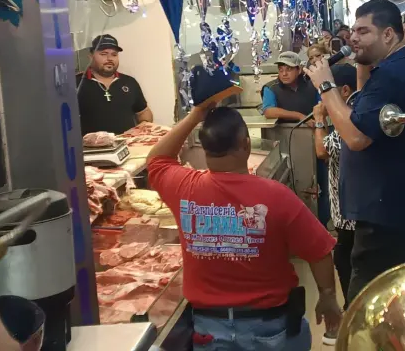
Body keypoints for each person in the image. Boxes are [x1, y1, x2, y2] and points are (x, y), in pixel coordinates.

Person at [146, 105, 341, 351]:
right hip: (272, 329)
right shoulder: (277, 196)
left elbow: (155, 159)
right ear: (246, 144)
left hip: (209, 332)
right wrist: (327, 297)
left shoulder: (183, 187)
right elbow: (319, 250)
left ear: (204, 148)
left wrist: (196, 114)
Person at [303, 0, 405, 305]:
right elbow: (365, 107)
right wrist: (361, 64)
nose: (353, 38)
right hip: (399, 208)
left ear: (389, 35)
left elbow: (355, 136)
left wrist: (326, 86)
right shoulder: (404, 66)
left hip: (386, 215)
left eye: (363, 31)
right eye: (352, 30)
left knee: (368, 306)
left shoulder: (392, 76)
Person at [312, 64, 358, 345]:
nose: (321, 101)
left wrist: (319, 120)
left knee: (347, 260)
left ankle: (354, 314)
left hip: (352, 212)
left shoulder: (348, 118)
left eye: (324, 93)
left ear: (343, 91)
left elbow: (322, 150)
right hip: (350, 210)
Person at [76, 34, 153, 135]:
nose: (109, 58)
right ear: (91, 56)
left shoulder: (129, 82)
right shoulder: (76, 83)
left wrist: (145, 123)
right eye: (103, 54)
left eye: (114, 54)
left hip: (127, 147)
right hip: (90, 149)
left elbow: (143, 112)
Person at [260, 51, 320, 125]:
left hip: (314, 129)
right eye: (281, 70)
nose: (284, 74)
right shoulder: (271, 88)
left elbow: (324, 105)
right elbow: (268, 111)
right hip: (282, 132)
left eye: (289, 69)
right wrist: (299, 116)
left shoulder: (313, 84)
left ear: (299, 70)